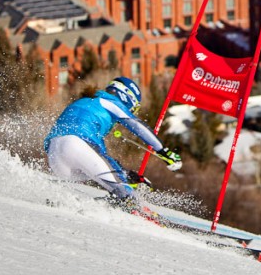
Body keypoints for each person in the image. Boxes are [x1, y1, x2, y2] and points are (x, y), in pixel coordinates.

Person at [45, 76, 181, 200]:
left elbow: (97, 163)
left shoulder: (86, 100)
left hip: (54, 153)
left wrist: (127, 176)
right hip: (78, 144)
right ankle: (128, 202)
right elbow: (137, 126)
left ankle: (81, 204)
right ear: (127, 98)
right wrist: (163, 151)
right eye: (133, 108)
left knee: (110, 183)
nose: (132, 111)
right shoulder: (110, 102)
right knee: (125, 195)